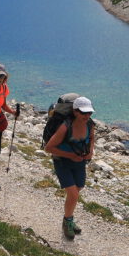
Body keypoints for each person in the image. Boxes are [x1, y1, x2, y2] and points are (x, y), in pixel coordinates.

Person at [44, 96, 95, 240]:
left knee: (77, 190)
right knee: (73, 194)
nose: (87, 116)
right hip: (62, 162)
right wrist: (70, 155)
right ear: (75, 112)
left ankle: (68, 219)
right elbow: (49, 148)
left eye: (89, 113)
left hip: (79, 161)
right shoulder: (65, 126)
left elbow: (91, 138)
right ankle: (67, 222)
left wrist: (90, 152)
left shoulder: (90, 124)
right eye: (83, 113)